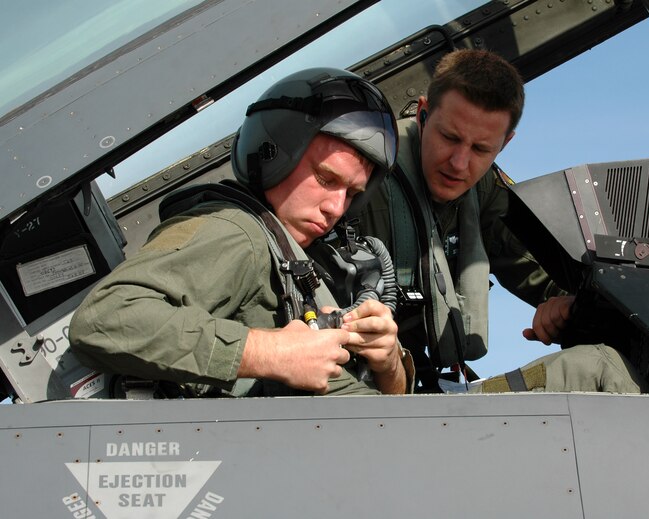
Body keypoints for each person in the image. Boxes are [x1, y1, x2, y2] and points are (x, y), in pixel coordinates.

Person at [69, 68, 412, 398]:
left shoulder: (303, 254)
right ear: (273, 152)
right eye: (325, 179)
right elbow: (107, 318)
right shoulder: (236, 231)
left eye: (351, 194)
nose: (336, 208)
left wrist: (389, 363)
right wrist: (270, 352)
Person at [356, 49, 646, 393]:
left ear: (505, 143)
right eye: (449, 138)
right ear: (422, 114)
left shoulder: (487, 194)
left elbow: (541, 270)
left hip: (421, 385)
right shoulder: (362, 178)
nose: (459, 164)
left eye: (481, 149)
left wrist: (568, 305)